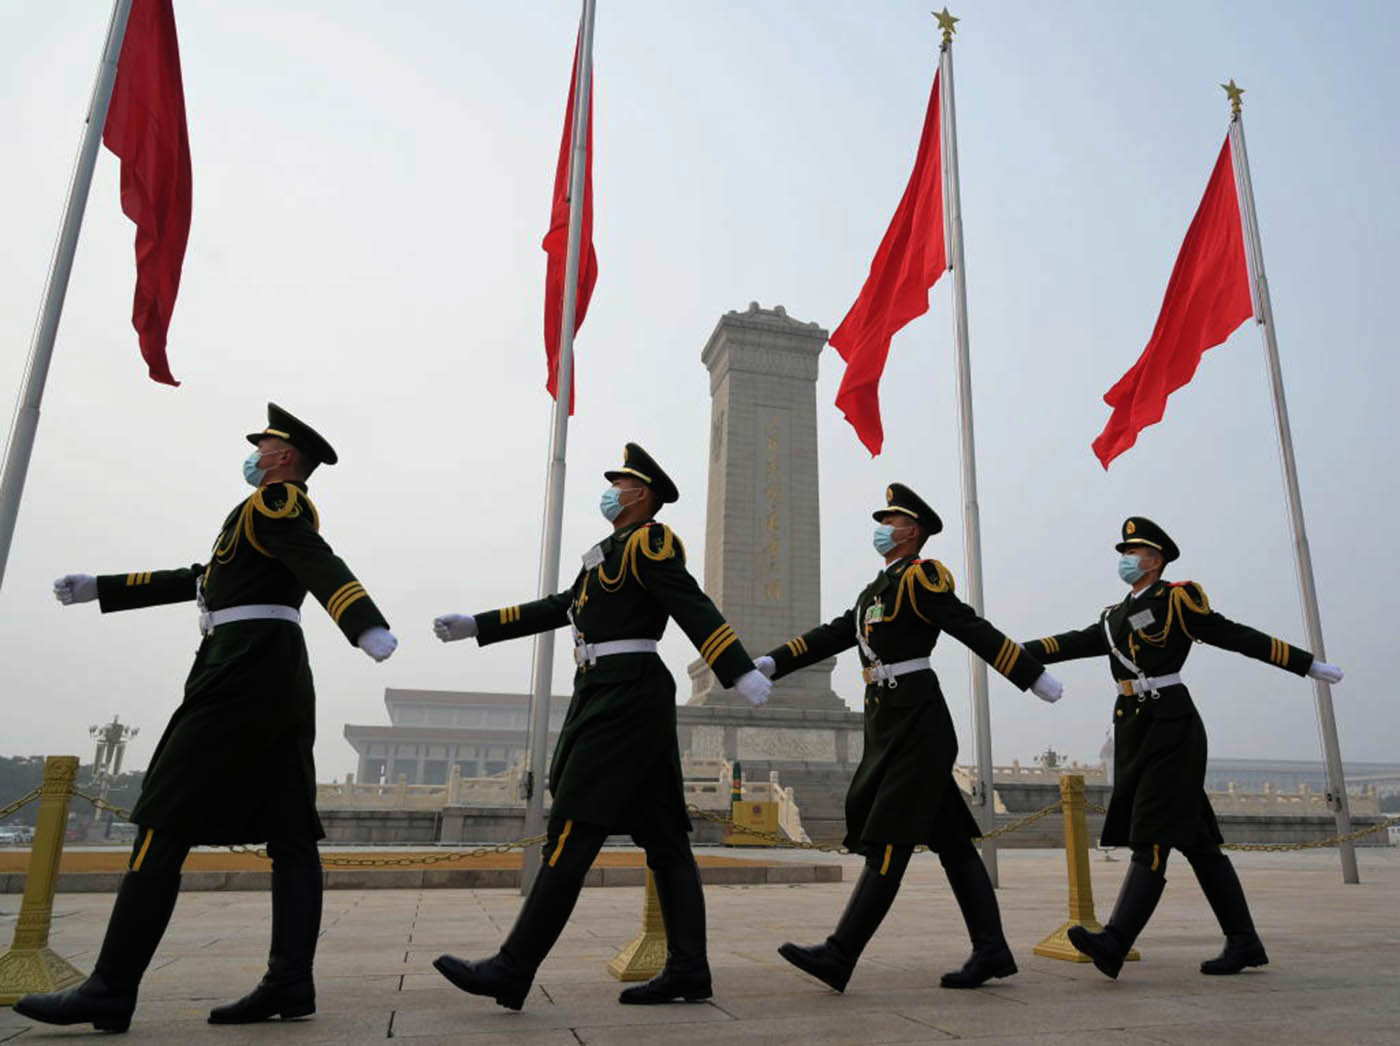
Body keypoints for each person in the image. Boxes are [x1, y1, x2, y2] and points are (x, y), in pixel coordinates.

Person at [15, 404, 397, 1033]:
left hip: (240, 670)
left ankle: (111, 987)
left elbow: (314, 558)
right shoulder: (251, 517)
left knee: (163, 815)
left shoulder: (276, 503)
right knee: (290, 834)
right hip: (267, 672)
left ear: (285, 457)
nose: (256, 451)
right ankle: (289, 982)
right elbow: (202, 577)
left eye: (265, 443)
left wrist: (364, 622)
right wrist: (104, 587)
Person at [430, 443, 771, 1010]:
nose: (610, 489)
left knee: (574, 825)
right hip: (606, 691)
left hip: (627, 695)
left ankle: (513, 968)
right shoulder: (602, 554)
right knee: (665, 840)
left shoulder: (650, 541)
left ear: (643, 495)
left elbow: (692, 604)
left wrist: (734, 668)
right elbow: (561, 606)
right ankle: (689, 970)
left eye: (621, 482)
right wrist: (479, 625)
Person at [759, 484, 1064, 994]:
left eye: (892, 519)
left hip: (918, 723)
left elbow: (969, 627)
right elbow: (835, 633)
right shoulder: (875, 591)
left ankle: (840, 954)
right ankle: (991, 949)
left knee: (890, 836)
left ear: (913, 531)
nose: (882, 527)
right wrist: (773, 662)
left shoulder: (923, 578)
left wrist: (1029, 674)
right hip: (889, 722)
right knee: (953, 844)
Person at [1022, 516, 1344, 979]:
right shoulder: (1113, 616)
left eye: (1133, 553)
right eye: (1124, 553)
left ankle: (1114, 941)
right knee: (1200, 845)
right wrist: (1008, 650)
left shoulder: (1177, 600)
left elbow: (1237, 635)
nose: (1125, 560)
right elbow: (1073, 642)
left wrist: (1306, 664)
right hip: (1135, 729)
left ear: (1155, 560)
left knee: (1150, 835)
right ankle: (1244, 941)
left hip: (1172, 728)